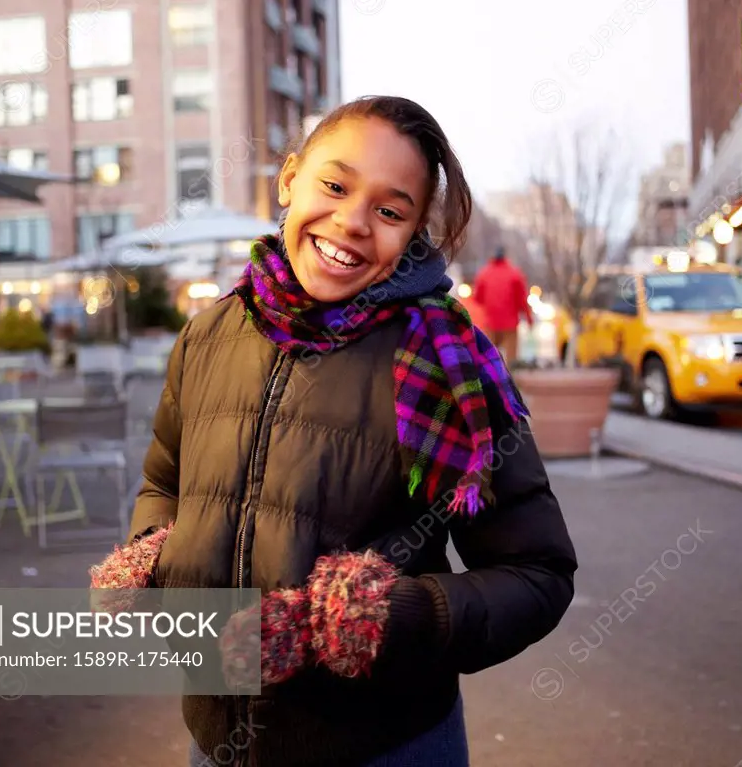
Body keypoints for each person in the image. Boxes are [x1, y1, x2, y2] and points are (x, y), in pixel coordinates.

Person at [88, 95, 577, 767]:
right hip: (214, 737)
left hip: (385, 745)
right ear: (291, 178)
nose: (351, 222)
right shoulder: (210, 334)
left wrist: (392, 614)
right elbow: (163, 480)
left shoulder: (445, 362)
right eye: (336, 185)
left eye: (389, 210)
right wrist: (157, 551)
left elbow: (538, 574)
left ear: (412, 233)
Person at [471, 246, 533, 362]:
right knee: (511, 360)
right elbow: (522, 299)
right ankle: (509, 378)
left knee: (489, 358)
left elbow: (477, 298)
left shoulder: (484, 274)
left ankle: (492, 379)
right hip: (510, 324)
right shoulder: (515, 274)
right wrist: (529, 319)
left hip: (491, 322)